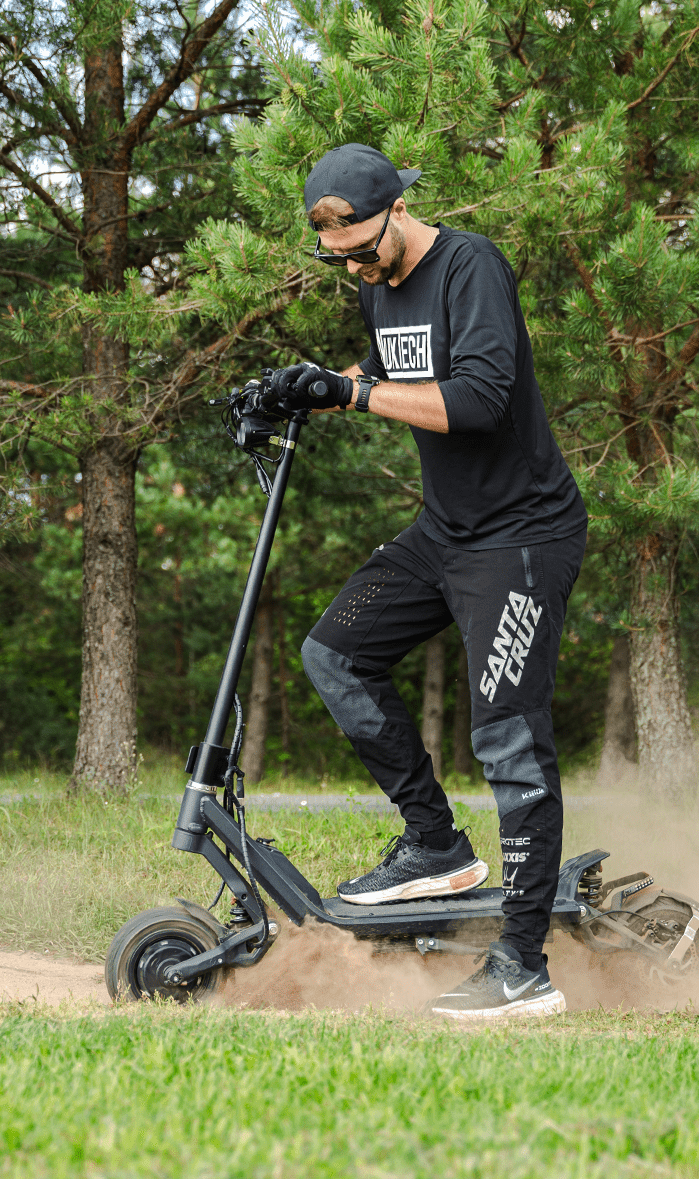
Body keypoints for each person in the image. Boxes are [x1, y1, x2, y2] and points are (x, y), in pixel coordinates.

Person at [264, 143, 588, 1020]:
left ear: (397, 212)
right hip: (446, 530)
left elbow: (478, 399)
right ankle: (436, 844)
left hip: (520, 536)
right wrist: (313, 389)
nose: (357, 267)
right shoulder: (375, 282)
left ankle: (523, 966)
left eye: (364, 248)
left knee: (508, 741)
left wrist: (349, 395)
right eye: (340, 260)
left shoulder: (470, 264)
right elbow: (397, 376)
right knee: (335, 654)